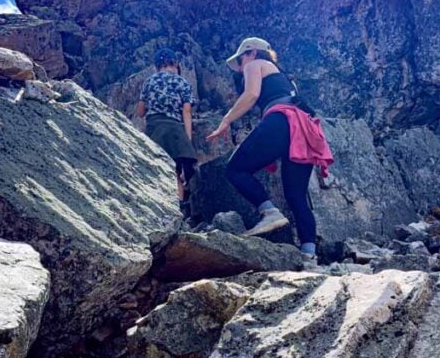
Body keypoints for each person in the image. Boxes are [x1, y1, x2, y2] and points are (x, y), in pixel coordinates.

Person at [207, 36, 333, 268]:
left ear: (251, 53)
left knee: (235, 170)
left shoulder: (255, 65)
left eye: (241, 59)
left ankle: (269, 212)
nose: (241, 66)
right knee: (296, 196)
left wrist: (226, 120)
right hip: (303, 128)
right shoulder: (285, 78)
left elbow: (252, 94)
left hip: (281, 120)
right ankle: (309, 257)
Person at [136, 47, 197, 218]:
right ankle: (178, 210)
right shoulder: (183, 83)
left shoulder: (149, 82)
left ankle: (156, 207)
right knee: (175, 171)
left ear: (156, 66)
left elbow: (140, 112)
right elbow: (187, 113)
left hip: (154, 129)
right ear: (176, 63)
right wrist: (187, 140)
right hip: (175, 129)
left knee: (157, 169)